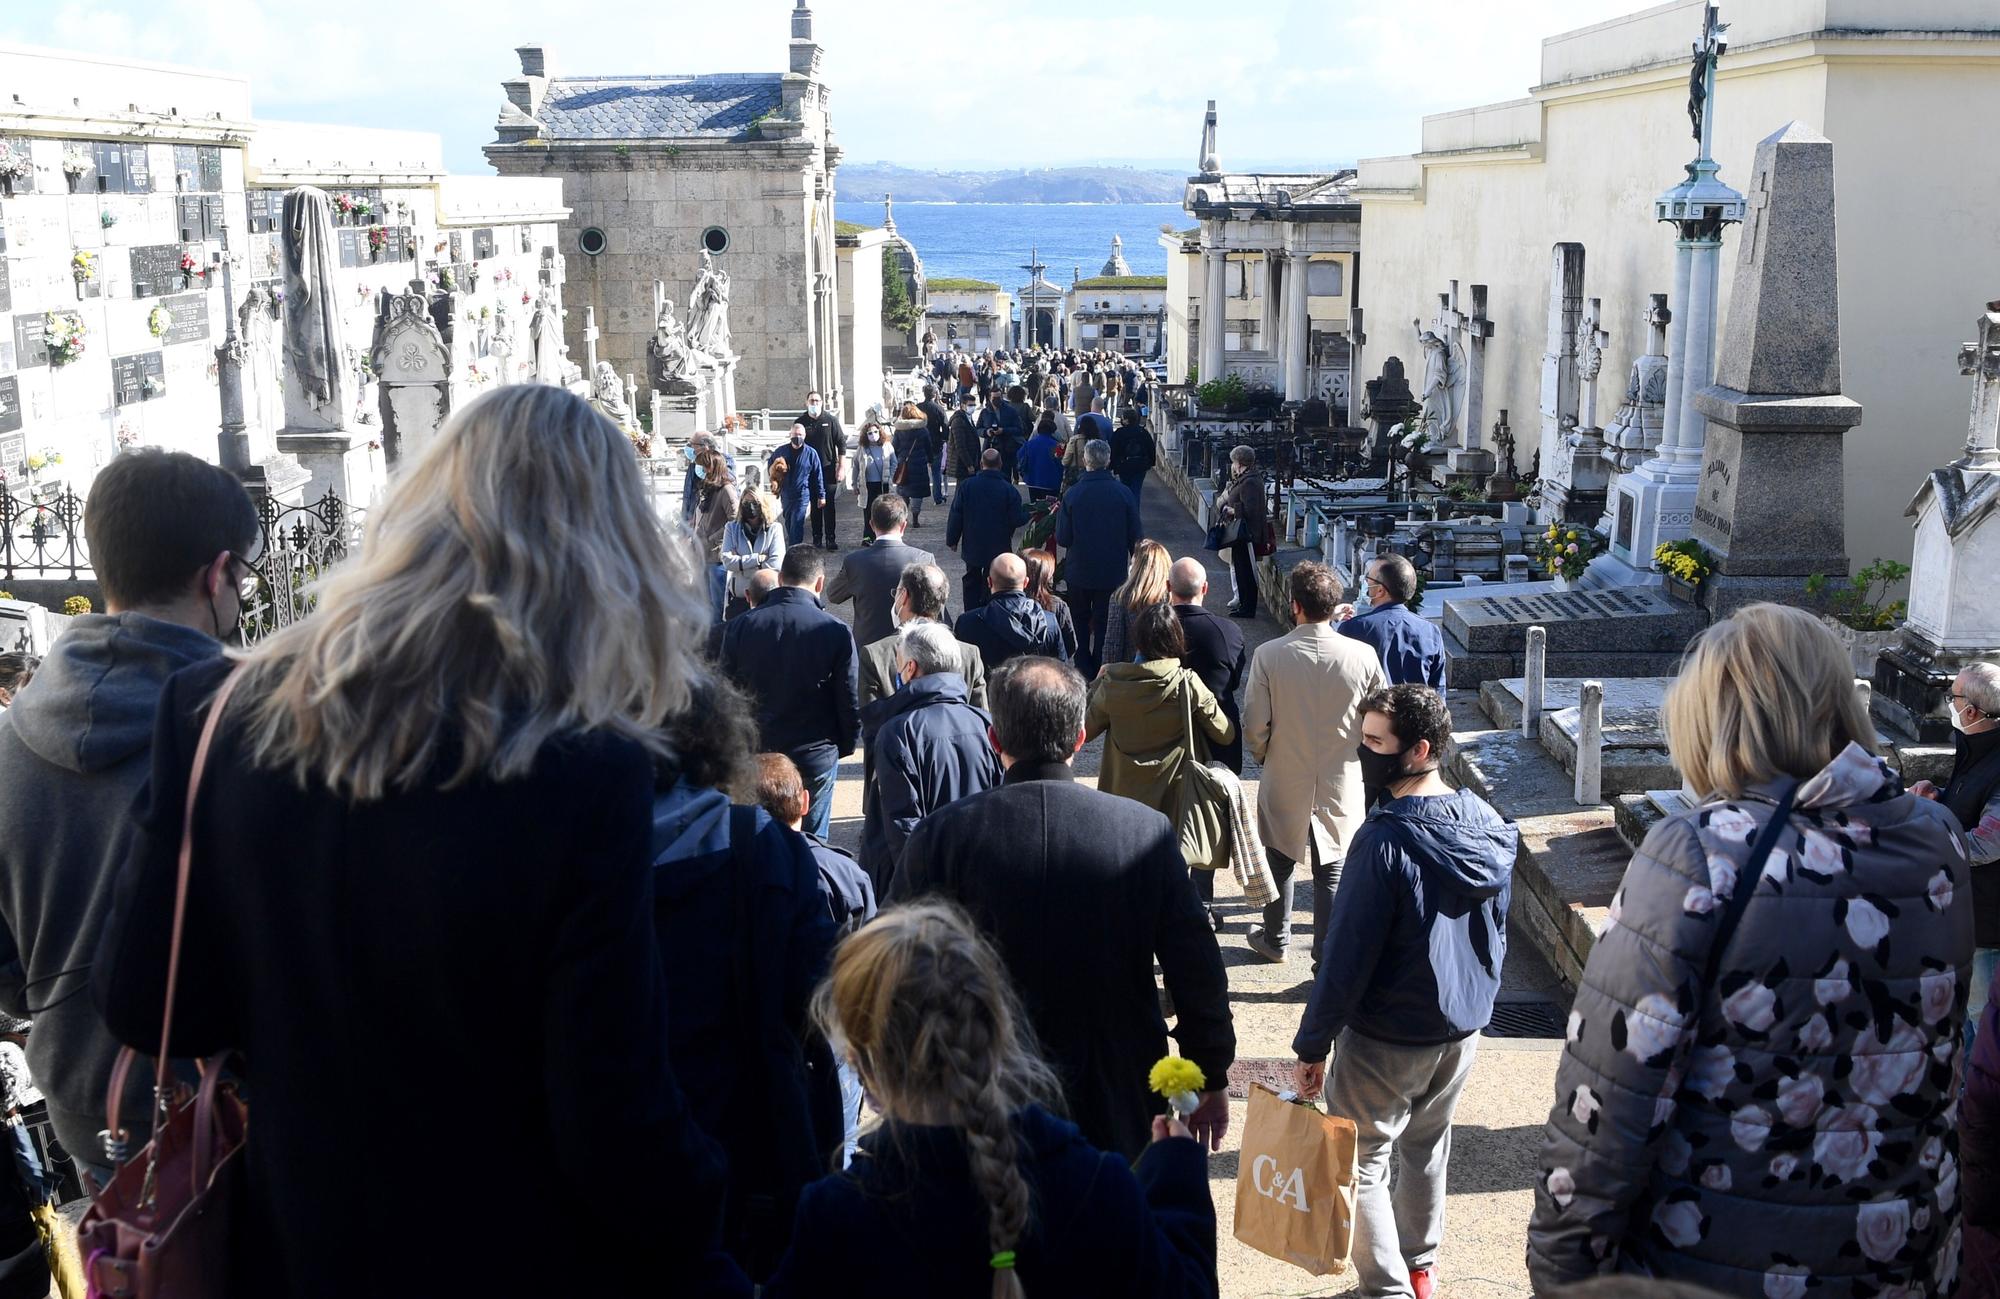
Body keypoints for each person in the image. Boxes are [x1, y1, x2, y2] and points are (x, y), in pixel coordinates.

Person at [90, 387, 736, 1294]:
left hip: (300, 1245)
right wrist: (711, 1201)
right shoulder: (583, 771)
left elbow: (149, 1000)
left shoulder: (220, 710)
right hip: (507, 1254)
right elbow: (610, 1115)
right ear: (607, 557)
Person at [1528, 604, 1970, 1296]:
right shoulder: (1936, 839)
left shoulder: (1702, 851)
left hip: (1715, 1260)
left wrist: (1562, 1273)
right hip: (1898, 1258)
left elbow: (1610, 1100)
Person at [0, 449, 257, 1187]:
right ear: (219, 574)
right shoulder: (249, 724)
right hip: (226, 1101)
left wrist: (63, 996)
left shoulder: (10, 736)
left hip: (90, 1105)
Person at [760, 902, 1220, 1298]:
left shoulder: (836, 1218)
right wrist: (1177, 1178)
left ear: (863, 1066)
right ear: (999, 1031)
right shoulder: (1095, 1186)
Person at [891, 657, 1234, 1162]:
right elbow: (1196, 967)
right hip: (1117, 1082)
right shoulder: (1143, 832)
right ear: (1080, 738)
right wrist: (1210, 1071)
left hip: (982, 1086)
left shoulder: (943, 835)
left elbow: (895, 965)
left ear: (995, 739)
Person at [1291, 684, 1516, 1299]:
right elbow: (1497, 933)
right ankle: (1420, 1268)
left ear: (1417, 750)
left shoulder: (1384, 839)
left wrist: (1312, 1044)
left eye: (1373, 743)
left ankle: (1387, 1288)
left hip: (1386, 1034)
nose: (1362, 754)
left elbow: (1345, 956)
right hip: (1460, 1027)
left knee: (1358, 1162)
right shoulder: (1490, 823)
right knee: (1425, 1147)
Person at [650, 672, 841, 1279]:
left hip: (623, 1122)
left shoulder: (587, 848)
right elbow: (817, 994)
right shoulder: (768, 847)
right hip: (745, 1123)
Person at [1243, 562, 1388, 971]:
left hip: (1285, 766)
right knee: (1334, 866)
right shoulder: (1363, 656)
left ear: (1295, 606)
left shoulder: (1269, 654)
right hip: (1342, 771)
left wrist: (1262, 753)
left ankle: (1276, 937)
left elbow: (1255, 721)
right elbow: (1381, 715)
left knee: (1279, 857)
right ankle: (1326, 954)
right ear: (1335, 605)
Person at [1085, 606, 1234, 921]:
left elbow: (1082, 732)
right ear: (1176, 640)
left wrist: (1095, 685)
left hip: (1122, 798)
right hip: (1174, 799)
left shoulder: (1113, 683)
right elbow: (1225, 733)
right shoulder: (1187, 684)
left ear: (1138, 641)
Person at [719, 546, 861, 841]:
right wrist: (842, 746)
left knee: (755, 841)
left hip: (758, 754)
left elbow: (726, 693)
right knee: (814, 845)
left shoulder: (741, 626)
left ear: (780, 578)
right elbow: (848, 698)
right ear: (820, 583)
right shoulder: (835, 630)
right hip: (815, 753)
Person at [861, 621, 1004, 889]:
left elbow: (902, 825)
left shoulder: (898, 731)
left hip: (921, 890)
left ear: (911, 668)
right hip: (979, 878)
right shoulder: (988, 725)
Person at [1913, 660, 2000, 1036]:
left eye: (1954, 696)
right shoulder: (1974, 746)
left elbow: (1987, 841)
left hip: (1988, 923)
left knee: (1982, 1023)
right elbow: (1971, 804)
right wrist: (1938, 800)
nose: (1948, 702)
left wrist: (1927, 842)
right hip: (1963, 911)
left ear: (1971, 711)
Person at [1054, 439, 1142, 676]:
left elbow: (1063, 538)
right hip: (1112, 571)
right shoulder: (1123, 493)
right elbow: (1136, 538)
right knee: (1106, 621)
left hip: (1079, 570)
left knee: (1079, 621)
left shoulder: (1073, 494)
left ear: (1085, 461)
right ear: (1108, 460)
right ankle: (1102, 665)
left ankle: (1082, 666)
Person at [858, 564, 986, 711]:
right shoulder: (969, 654)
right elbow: (982, 719)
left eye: (897, 592)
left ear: (904, 596)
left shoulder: (875, 655)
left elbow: (870, 721)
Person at [1169, 558, 1248, 774]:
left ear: (1169, 588)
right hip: (1217, 737)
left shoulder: (1154, 629)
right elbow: (1233, 681)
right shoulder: (1228, 631)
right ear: (1205, 588)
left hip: (1166, 736)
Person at [825, 494, 936, 649]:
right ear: (903, 525)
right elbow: (937, 610)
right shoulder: (923, 559)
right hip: (912, 650)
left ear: (871, 524)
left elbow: (833, 595)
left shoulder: (854, 561)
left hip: (868, 652)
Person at [1337, 553, 1447, 687]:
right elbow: (1438, 692)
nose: (1365, 582)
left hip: (1372, 706)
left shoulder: (1353, 629)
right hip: (1416, 706)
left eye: (1368, 579)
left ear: (1380, 590)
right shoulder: (1431, 632)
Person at [946, 448, 1030, 614]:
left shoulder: (967, 486)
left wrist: (953, 539)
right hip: (998, 544)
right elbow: (1016, 519)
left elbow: (956, 514)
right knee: (996, 579)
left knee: (971, 578)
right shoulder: (1009, 490)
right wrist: (1029, 514)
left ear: (981, 464)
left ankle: (971, 612)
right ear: (1000, 464)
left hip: (973, 542)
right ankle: (992, 611)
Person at [954, 555, 1067, 673]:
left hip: (987, 690)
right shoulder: (1049, 622)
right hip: (1034, 689)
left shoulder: (967, 623)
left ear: (989, 582)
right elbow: (1061, 669)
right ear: (1025, 582)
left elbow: (960, 669)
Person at [1100, 539, 1172, 672]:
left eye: (1132, 563)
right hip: (1166, 676)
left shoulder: (1121, 598)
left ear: (1138, 568)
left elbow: (1113, 645)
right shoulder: (1171, 597)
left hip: (1130, 677)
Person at [691, 444, 740, 624]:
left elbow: (734, 519)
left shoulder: (726, 489)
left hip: (715, 555)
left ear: (714, 467)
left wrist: (712, 539)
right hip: (701, 553)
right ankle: (708, 638)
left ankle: (716, 641)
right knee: (705, 601)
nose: (702, 470)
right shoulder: (708, 488)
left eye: (705, 466)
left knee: (716, 604)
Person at [1216, 446, 1267, 618]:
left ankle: (1248, 607)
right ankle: (1244, 605)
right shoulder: (1246, 478)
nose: (1233, 465)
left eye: (1234, 462)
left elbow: (1251, 509)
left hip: (1246, 533)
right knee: (1240, 569)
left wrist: (1232, 511)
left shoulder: (1250, 481)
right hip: (1241, 533)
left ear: (1239, 462)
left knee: (1246, 572)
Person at [795, 390, 849, 550]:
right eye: (811, 401)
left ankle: (830, 538)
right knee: (814, 505)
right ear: (806, 403)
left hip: (828, 469)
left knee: (829, 505)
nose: (814, 404)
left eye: (817, 401)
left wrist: (841, 467)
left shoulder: (830, 420)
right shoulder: (801, 422)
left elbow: (841, 444)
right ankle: (817, 537)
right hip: (808, 472)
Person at [721, 488, 787, 619]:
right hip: (739, 597)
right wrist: (758, 559)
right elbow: (727, 561)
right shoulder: (731, 528)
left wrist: (740, 564)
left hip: (766, 598)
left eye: (755, 502)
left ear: (762, 504)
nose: (750, 507)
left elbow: (776, 563)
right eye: (746, 502)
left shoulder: (774, 528)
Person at [769, 421, 827, 548]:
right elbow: (771, 467)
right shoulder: (780, 451)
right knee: (789, 522)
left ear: (805, 436)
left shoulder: (811, 453)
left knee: (797, 522)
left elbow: (818, 475)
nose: (797, 437)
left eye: (800, 434)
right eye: (795, 434)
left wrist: (821, 495)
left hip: (802, 494)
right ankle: (794, 547)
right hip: (786, 494)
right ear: (790, 435)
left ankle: (794, 550)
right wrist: (775, 481)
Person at [1020, 548, 1079, 664]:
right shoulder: (1058, 606)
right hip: (1050, 667)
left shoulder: (1013, 604)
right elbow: (1070, 645)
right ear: (1047, 576)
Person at [891, 403, 936, 527]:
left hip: (903, 465)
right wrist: (931, 460)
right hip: (919, 464)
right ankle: (915, 517)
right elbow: (928, 447)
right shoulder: (923, 430)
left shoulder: (899, 431)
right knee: (917, 492)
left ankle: (904, 517)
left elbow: (894, 448)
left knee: (904, 491)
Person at [855, 420, 896, 541]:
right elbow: (856, 466)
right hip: (867, 486)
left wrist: (890, 475)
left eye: (875, 431)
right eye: (869, 433)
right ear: (865, 435)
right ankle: (867, 537)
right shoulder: (862, 448)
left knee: (883, 511)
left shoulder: (887, 445)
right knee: (868, 512)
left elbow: (894, 462)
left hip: (883, 485)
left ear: (880, 432)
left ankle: (883, 536)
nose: (873, 434)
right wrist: (854, 484)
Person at [1110, 407, 1157, 507]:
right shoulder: (1143, 432)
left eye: (1122, 418)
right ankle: (1134, 516)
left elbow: (1113, 450)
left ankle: (1126, 515)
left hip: (1124, 466)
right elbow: (1151, 448)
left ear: (1126, 420)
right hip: (1140, 466)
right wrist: (1151, 463)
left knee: (1125, 491)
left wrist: (1112, 466)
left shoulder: (1119, 433)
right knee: (1136, 491)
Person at [1019, 410, 1064, 502]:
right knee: (1050, 510)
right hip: (1051, 482)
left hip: (1032, 480)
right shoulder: (1056, 446)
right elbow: (1061, 464)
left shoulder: (1030, 444)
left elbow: (1020, 456)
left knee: (1034, 507)